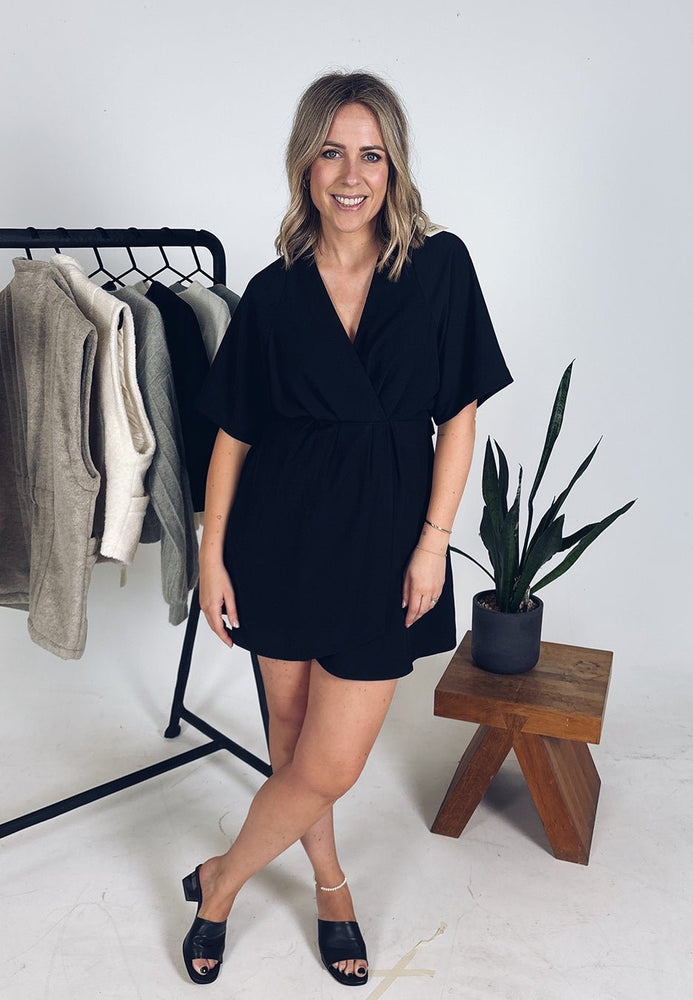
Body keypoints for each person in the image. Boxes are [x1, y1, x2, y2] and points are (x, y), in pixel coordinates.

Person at [183, 70, 512, 987]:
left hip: (385, 547)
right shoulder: (272, 292)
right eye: (332, 152)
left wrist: (433, 541)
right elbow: (234, 435)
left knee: (331, 763)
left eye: (371, 154)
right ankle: (331, 887)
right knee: (293, 743)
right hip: (278, 539)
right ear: (306, 165)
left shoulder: (439, 268)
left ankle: (220, 881)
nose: (351, 174)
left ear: (394, 167)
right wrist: (211, 554)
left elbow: (459, 420)